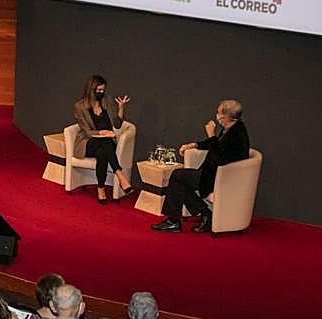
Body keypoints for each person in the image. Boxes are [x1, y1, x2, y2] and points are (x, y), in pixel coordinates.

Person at [152, 99, 250, 234]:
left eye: (219, 112)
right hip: (214, 173)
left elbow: (220, 158)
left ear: (226, 116)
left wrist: (211, 135)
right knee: (180, 181)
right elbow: (216, 145)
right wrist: (195, 145)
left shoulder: (237, 134)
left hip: (222, 177)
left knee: (177, 175)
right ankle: (203, 214)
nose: (217, 115)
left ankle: (176, 220)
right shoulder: (231, 127)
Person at [72, 74, 134, 204]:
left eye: (103, 90)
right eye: (99, 90)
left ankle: (100, 188)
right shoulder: (80, 106)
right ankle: (120, 174)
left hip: (105, 144)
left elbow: (117, 125)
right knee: (105, 141)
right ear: (91, 89)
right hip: (88, 143)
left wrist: (121, 108)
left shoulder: (106, 102)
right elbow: (87, 132)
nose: (101, 93)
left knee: (102, 152)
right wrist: (102, 132)